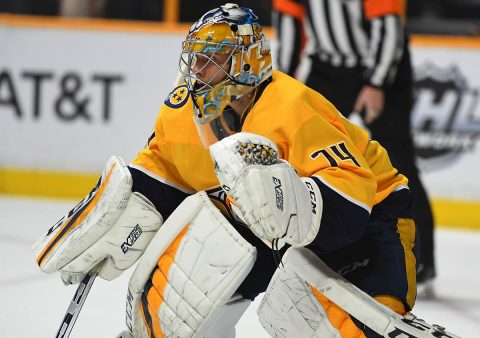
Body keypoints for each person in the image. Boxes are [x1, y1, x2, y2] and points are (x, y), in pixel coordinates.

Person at [33, 4, 457, 337]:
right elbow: (166, 171)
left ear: (246, 61)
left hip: (372, 221)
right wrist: (130, 202)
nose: (196, 74)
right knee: (177, 306)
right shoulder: (184, 111)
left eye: (210, 61)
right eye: (194, 61)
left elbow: (350, 207)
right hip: (264, 223)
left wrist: (292, 204)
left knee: (343, 326)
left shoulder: (292, 107)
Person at [272, 0, 436, 295]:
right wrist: (280, 86)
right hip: (328, 68)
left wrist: (376, 83)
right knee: (301, 157)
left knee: (400, 162)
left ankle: (421, 262)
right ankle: (304, 250)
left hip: (386, 66)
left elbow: (388, 26)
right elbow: (289, 27)